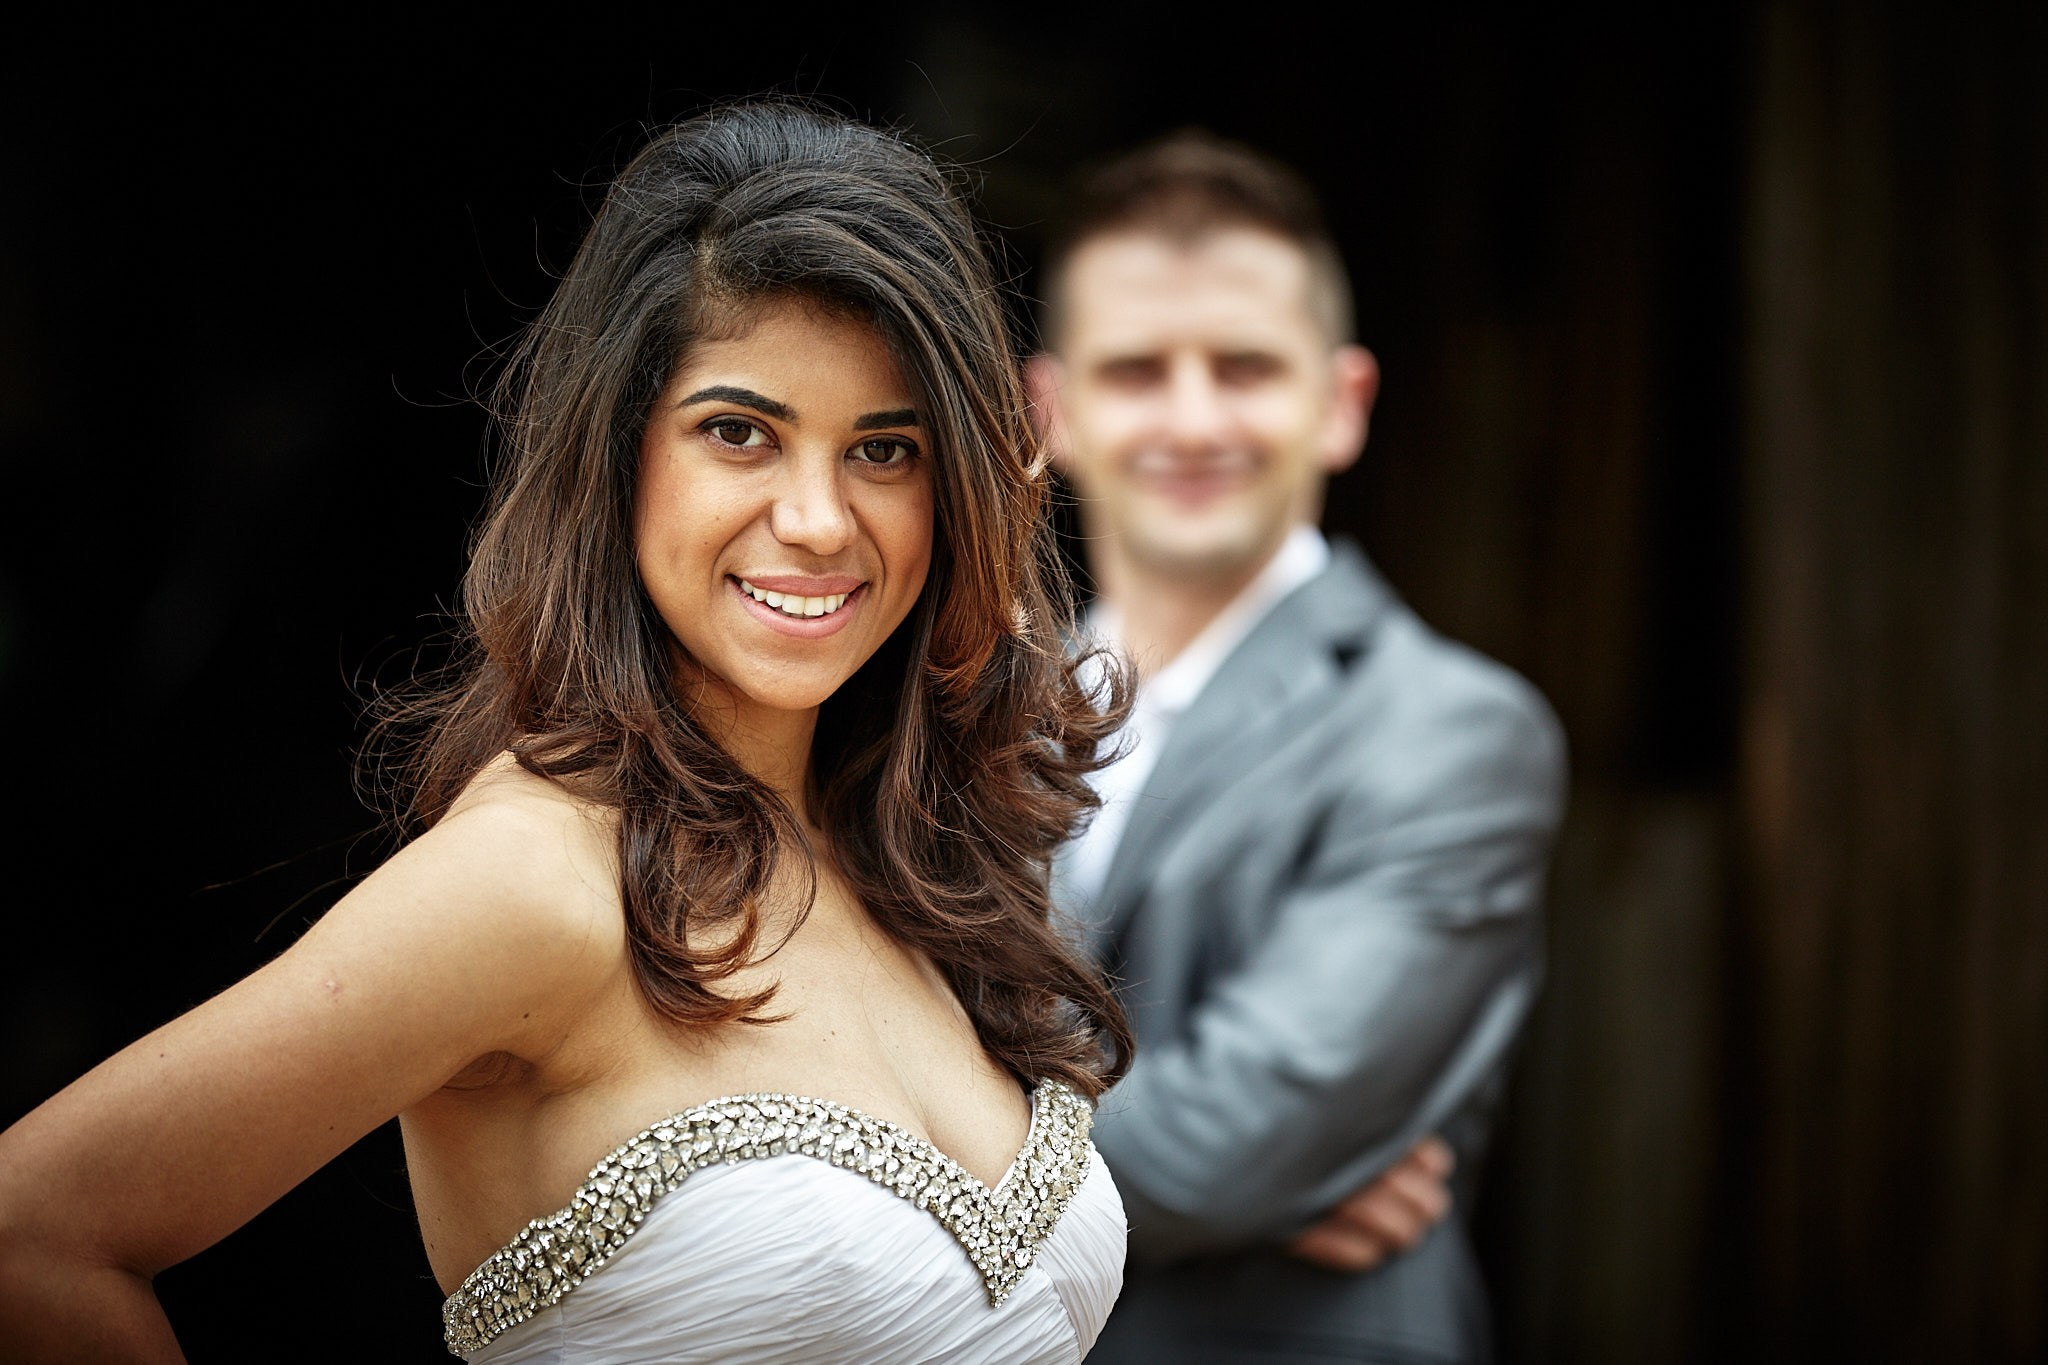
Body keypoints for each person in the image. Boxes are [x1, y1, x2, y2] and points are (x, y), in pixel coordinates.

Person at [0, 103, 1135, 1363]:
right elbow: (33, 1235)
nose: (817, 519)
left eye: (884, 449)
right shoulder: (533, 881)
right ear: (620, 454)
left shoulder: (921, 856)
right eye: (738, 432)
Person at [1025, 131, 1567, 1363]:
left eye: (1246, 366)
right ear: (1046, 411)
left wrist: (840, 1141)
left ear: (1342, 403)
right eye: (1138, 370)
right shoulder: (940, 723)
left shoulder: (1451, 731)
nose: (1194, 416)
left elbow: (1215, 1151)